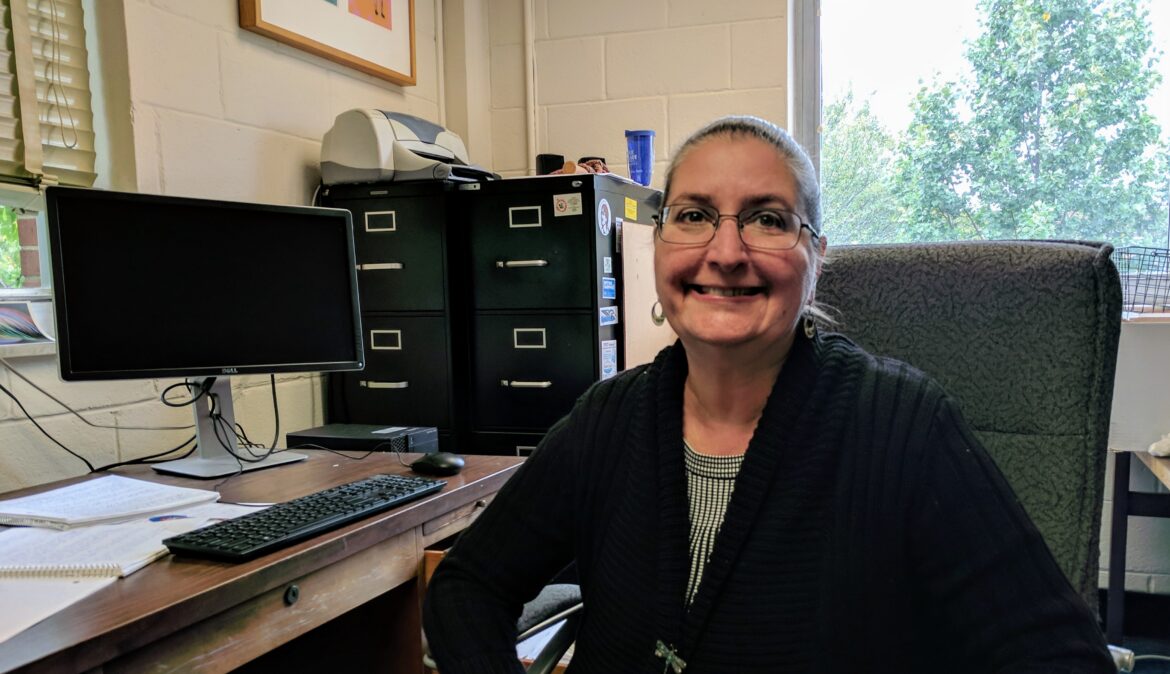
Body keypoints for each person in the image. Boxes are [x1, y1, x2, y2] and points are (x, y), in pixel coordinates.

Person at [423, 115, 1114, 673]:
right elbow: (467, 587)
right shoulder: (610, 418)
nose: (726, 252)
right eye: (693, 215)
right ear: (657, 246)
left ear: (817, 258)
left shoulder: (903, 427)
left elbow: (1060, 656)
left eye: (768, 220)